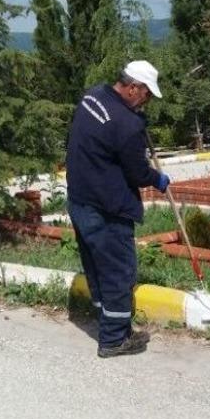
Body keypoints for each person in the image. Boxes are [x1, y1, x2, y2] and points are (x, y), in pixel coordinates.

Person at [65, 60, 172, 358]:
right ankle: (113, 339)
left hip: (80, 199)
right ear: (133, 88)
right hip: (107, 207)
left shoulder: (93, 96)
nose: (146, 101)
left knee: (97, 266)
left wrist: (136, 119)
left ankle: (107, 322)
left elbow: (105, 134)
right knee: (118, 271)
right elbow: (138, 173)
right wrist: (158, 179)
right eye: (146, 95)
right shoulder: (127, 125)